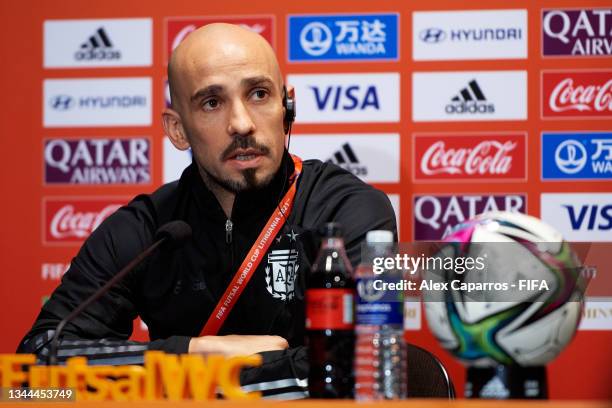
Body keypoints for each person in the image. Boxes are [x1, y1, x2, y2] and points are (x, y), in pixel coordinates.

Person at [18, 23, 396, 399]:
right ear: (178, 129)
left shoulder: (346, 210)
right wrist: (193, 353)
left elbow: (365, 364)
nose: (241, 124)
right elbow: (35, 367)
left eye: (259, 94)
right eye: (212, 103)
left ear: (287, 108)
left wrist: (189, 378)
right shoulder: (149, 227)